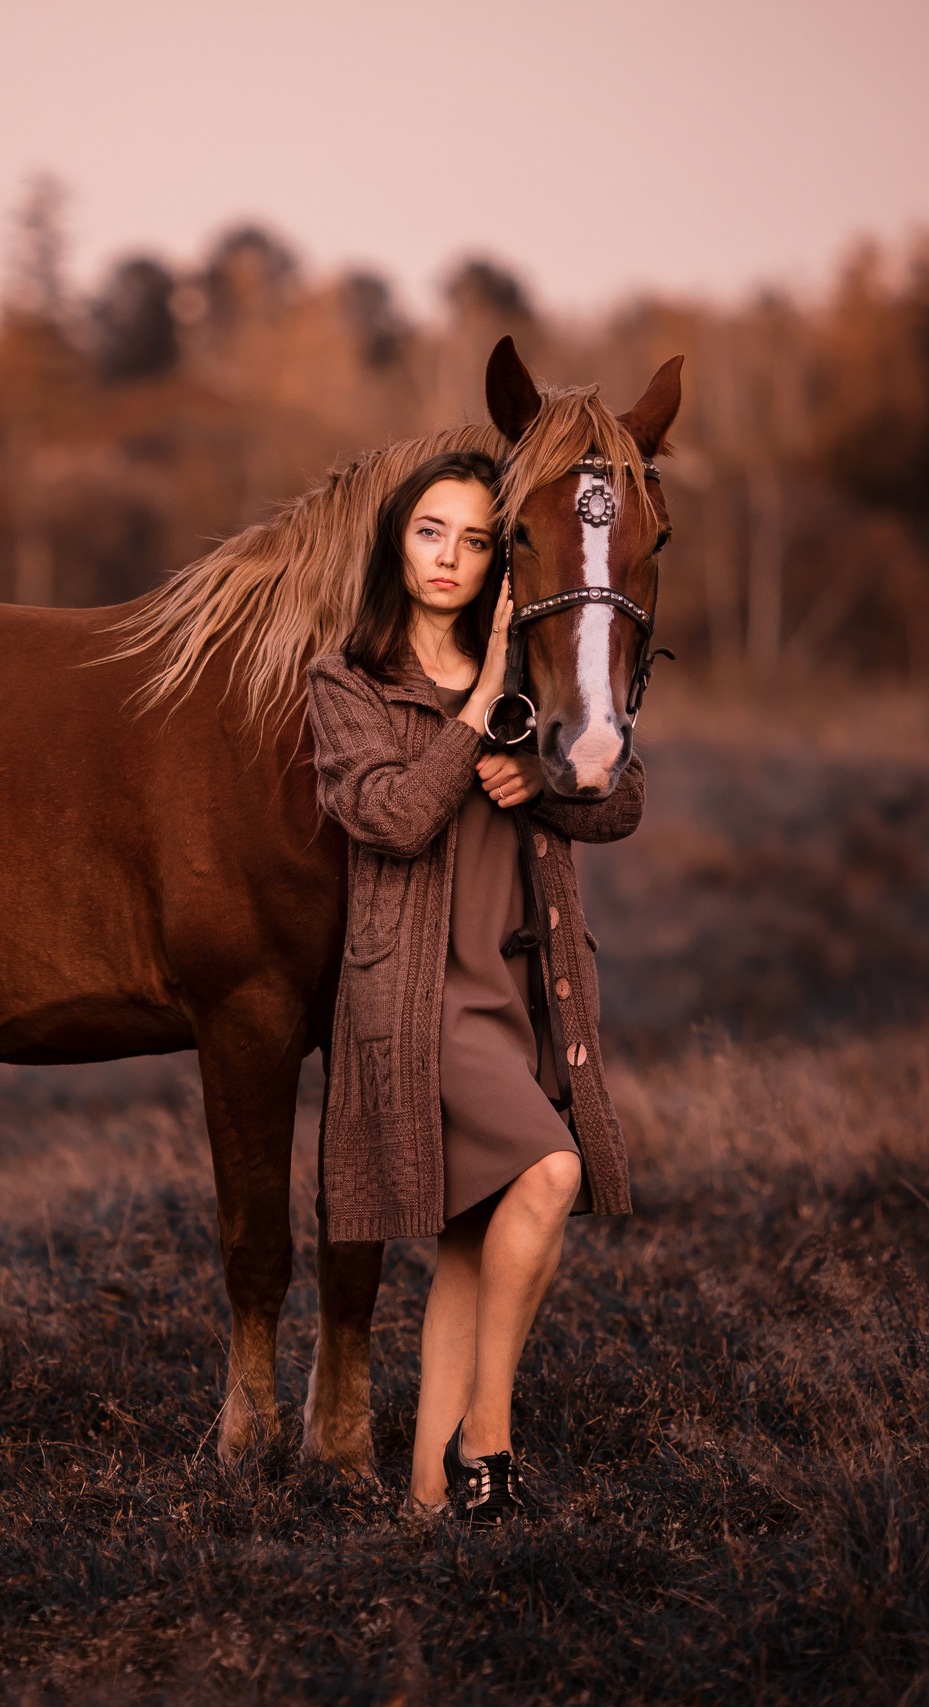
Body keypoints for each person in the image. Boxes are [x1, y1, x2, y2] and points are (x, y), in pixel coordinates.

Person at [305, 449, 645, 1522]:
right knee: (547, 1172)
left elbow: (617, 802)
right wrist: (478, 709)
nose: (449, 558)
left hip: (518, 992)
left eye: (473, 538)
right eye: (428, 533)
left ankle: (423, 1503)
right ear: (395, 546)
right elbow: (394, 819)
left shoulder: (545, 676)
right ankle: (489, 1441)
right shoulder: (349, 678)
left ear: (502, 555)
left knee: (472, 1235)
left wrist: (536, 779)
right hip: (414, 999)